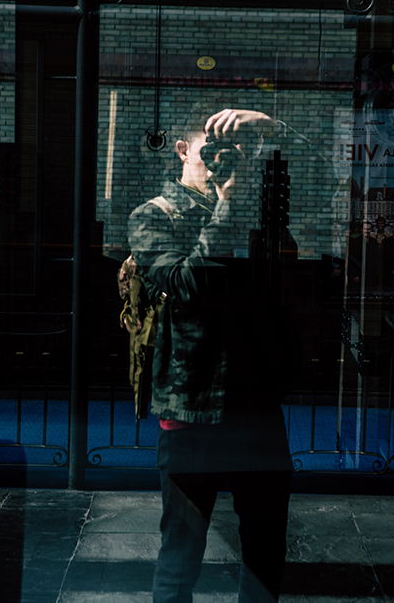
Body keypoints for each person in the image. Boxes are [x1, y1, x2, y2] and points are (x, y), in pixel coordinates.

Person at [127, 105, 293, 603]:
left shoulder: (256, 205)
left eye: (232, 151)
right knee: (181, 551)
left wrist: (271, 127)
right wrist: (229, 200)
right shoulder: (153, 215)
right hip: (191, 409)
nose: (222, 159)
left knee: (265, 550)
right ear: (182, 150)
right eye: (211, 149)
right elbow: (189, 284)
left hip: (256, 405)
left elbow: (323, 180)